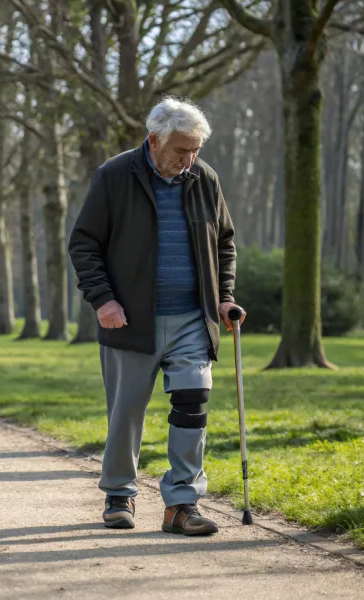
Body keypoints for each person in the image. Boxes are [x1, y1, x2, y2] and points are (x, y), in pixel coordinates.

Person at [68, 97, 246, 536]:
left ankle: (182, 504)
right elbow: (84, 244)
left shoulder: (203, 178)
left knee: (193, 403)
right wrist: (103, 300)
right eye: (181, 149)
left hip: (191, 318)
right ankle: (118, 493)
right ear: (153, 139)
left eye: (195, 150)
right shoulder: (115, 175)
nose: (188, 160)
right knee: (126, 412)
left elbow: (224, 242)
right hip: (129, 319)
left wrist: (223, 298)